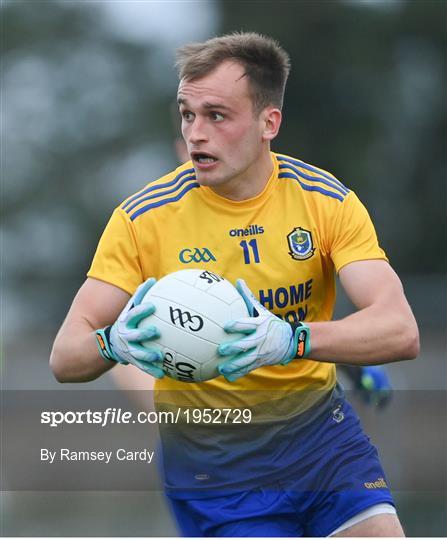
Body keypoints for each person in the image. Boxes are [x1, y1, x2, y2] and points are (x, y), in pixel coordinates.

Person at [50, 32, 419, 537]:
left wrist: (295, 341)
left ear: (270, 123)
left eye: (216, 116)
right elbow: (64, 356)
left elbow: (400, 329)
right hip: (218, 469)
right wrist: (111, 343)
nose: (196, 133)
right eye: (186, 114)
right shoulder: (143, 219)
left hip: (322, 442)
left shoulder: (325, 202)